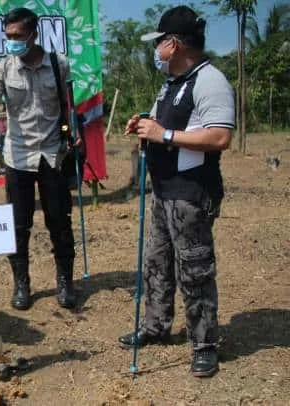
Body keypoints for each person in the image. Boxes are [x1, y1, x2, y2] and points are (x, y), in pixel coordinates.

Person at [118, 6, 234, 378]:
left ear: (175, 44)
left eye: (159, 44)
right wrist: (143, 123)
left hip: (191, 193)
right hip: (163, 190)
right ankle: (156, 325)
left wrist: (162, 135)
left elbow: (219, 136)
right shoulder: (172, 82)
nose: (156, 52)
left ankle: (204, 343)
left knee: (194, 268)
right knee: (157, 260)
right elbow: (160, 123)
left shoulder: (210, 80)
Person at [0, 7, 79, 310]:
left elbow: (67, 106)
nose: (12, 41)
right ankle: (21, 283)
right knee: (18, 224)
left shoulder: (59, 64)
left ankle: (65, 282)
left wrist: (73, 133)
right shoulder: (3, 69)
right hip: (17, 157)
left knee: (59, 221)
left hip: (53, 155)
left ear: (33, 34)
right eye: (8, 36)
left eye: (17, 36)